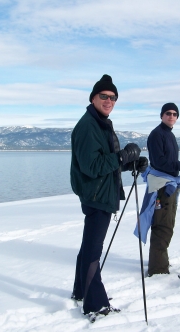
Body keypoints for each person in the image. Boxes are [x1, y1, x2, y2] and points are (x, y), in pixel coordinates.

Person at [70, 74, 148, 318]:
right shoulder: (88, 126)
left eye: (113, 97)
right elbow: (91, 166)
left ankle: (81, 291)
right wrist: (122, 157)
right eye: (104, 96)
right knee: (93, 251)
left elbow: (105, 163)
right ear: (93, 98)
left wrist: (130, 162)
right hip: (96, 196)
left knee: (88, 247)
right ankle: (95, 304)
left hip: (101, 193)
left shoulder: (100, 123)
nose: (109, 100)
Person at [145, 103, 180, 276]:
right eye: (168, 113)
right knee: (162, 227)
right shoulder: (156, 135)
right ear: (162, 115)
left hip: (169, 185)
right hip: (162, 187)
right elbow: (160, 162)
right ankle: (158, 270)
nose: (171, 116)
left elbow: (169, 162)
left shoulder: (169, 134)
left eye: (175, 114)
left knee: (167, 225)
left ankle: (161, 263)